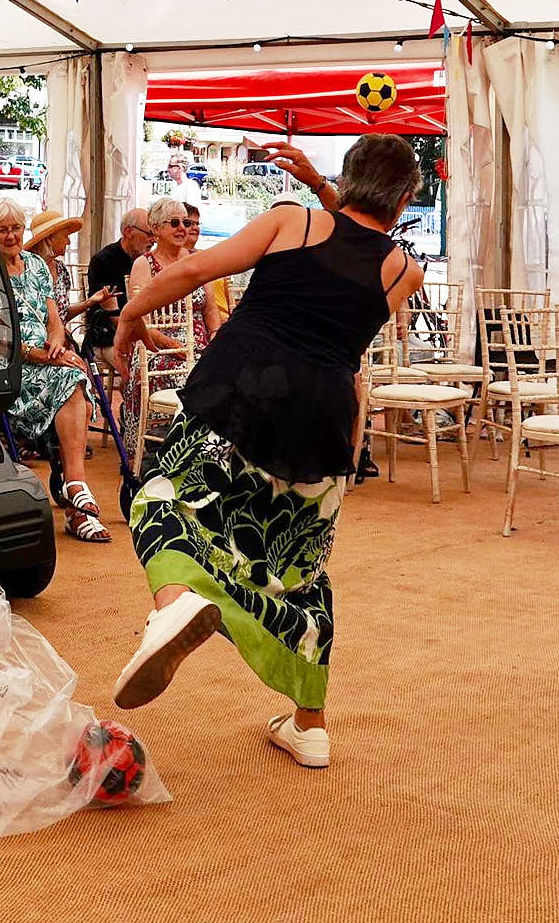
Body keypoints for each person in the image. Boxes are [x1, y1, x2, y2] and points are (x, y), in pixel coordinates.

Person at [111, 134, 425, 770]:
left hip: (242, 386)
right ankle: (309, 725)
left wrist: (128, 318)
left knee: (165, 500)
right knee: (300, 569)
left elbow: (193, 271)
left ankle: (174, 605)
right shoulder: (402, 270)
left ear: (348, 177)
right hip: (323, 415)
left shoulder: (290, 221)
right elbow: (356, 243)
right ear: (405, 200)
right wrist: (326, 188)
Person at [0, 197, 110, 544]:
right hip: (7, 365)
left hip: (46, 357)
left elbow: (53, 319)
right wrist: (43, 356)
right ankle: (76, 492)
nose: (11, 235)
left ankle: (75, 490)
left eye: (16, 228)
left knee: (74, 378)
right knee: (72, 381)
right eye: (2, 230)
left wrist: (58, 344)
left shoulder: (35, 264)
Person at [120, 197, 221, 464]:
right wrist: (174, 347)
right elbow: (140, 321)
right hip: (156, 347)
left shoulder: (198, 261)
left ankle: (208, 449)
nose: (183, 229)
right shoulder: (144, 264)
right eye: (174, 223)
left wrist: (215, 337)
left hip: (198, 345)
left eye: (186, 223)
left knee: (227, 370)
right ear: (155, 228)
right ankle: (168, 448)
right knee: (187, 375)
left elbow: (211, 309)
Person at [84, 208, 154, 367]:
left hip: (144, 331)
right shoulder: (103, 260)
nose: (153, 240)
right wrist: (146, 336)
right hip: (109, 336)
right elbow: (113, 314)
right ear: (129, 232)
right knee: (143, 366)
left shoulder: (149, 261)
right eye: (149, 234)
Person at [24, 209, 117, 328]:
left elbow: (63, 314)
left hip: (60, 337)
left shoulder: (61, 269)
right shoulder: (26, 270)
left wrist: (90, 302)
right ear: (49, 239)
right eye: (65, 236)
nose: (68, 242)